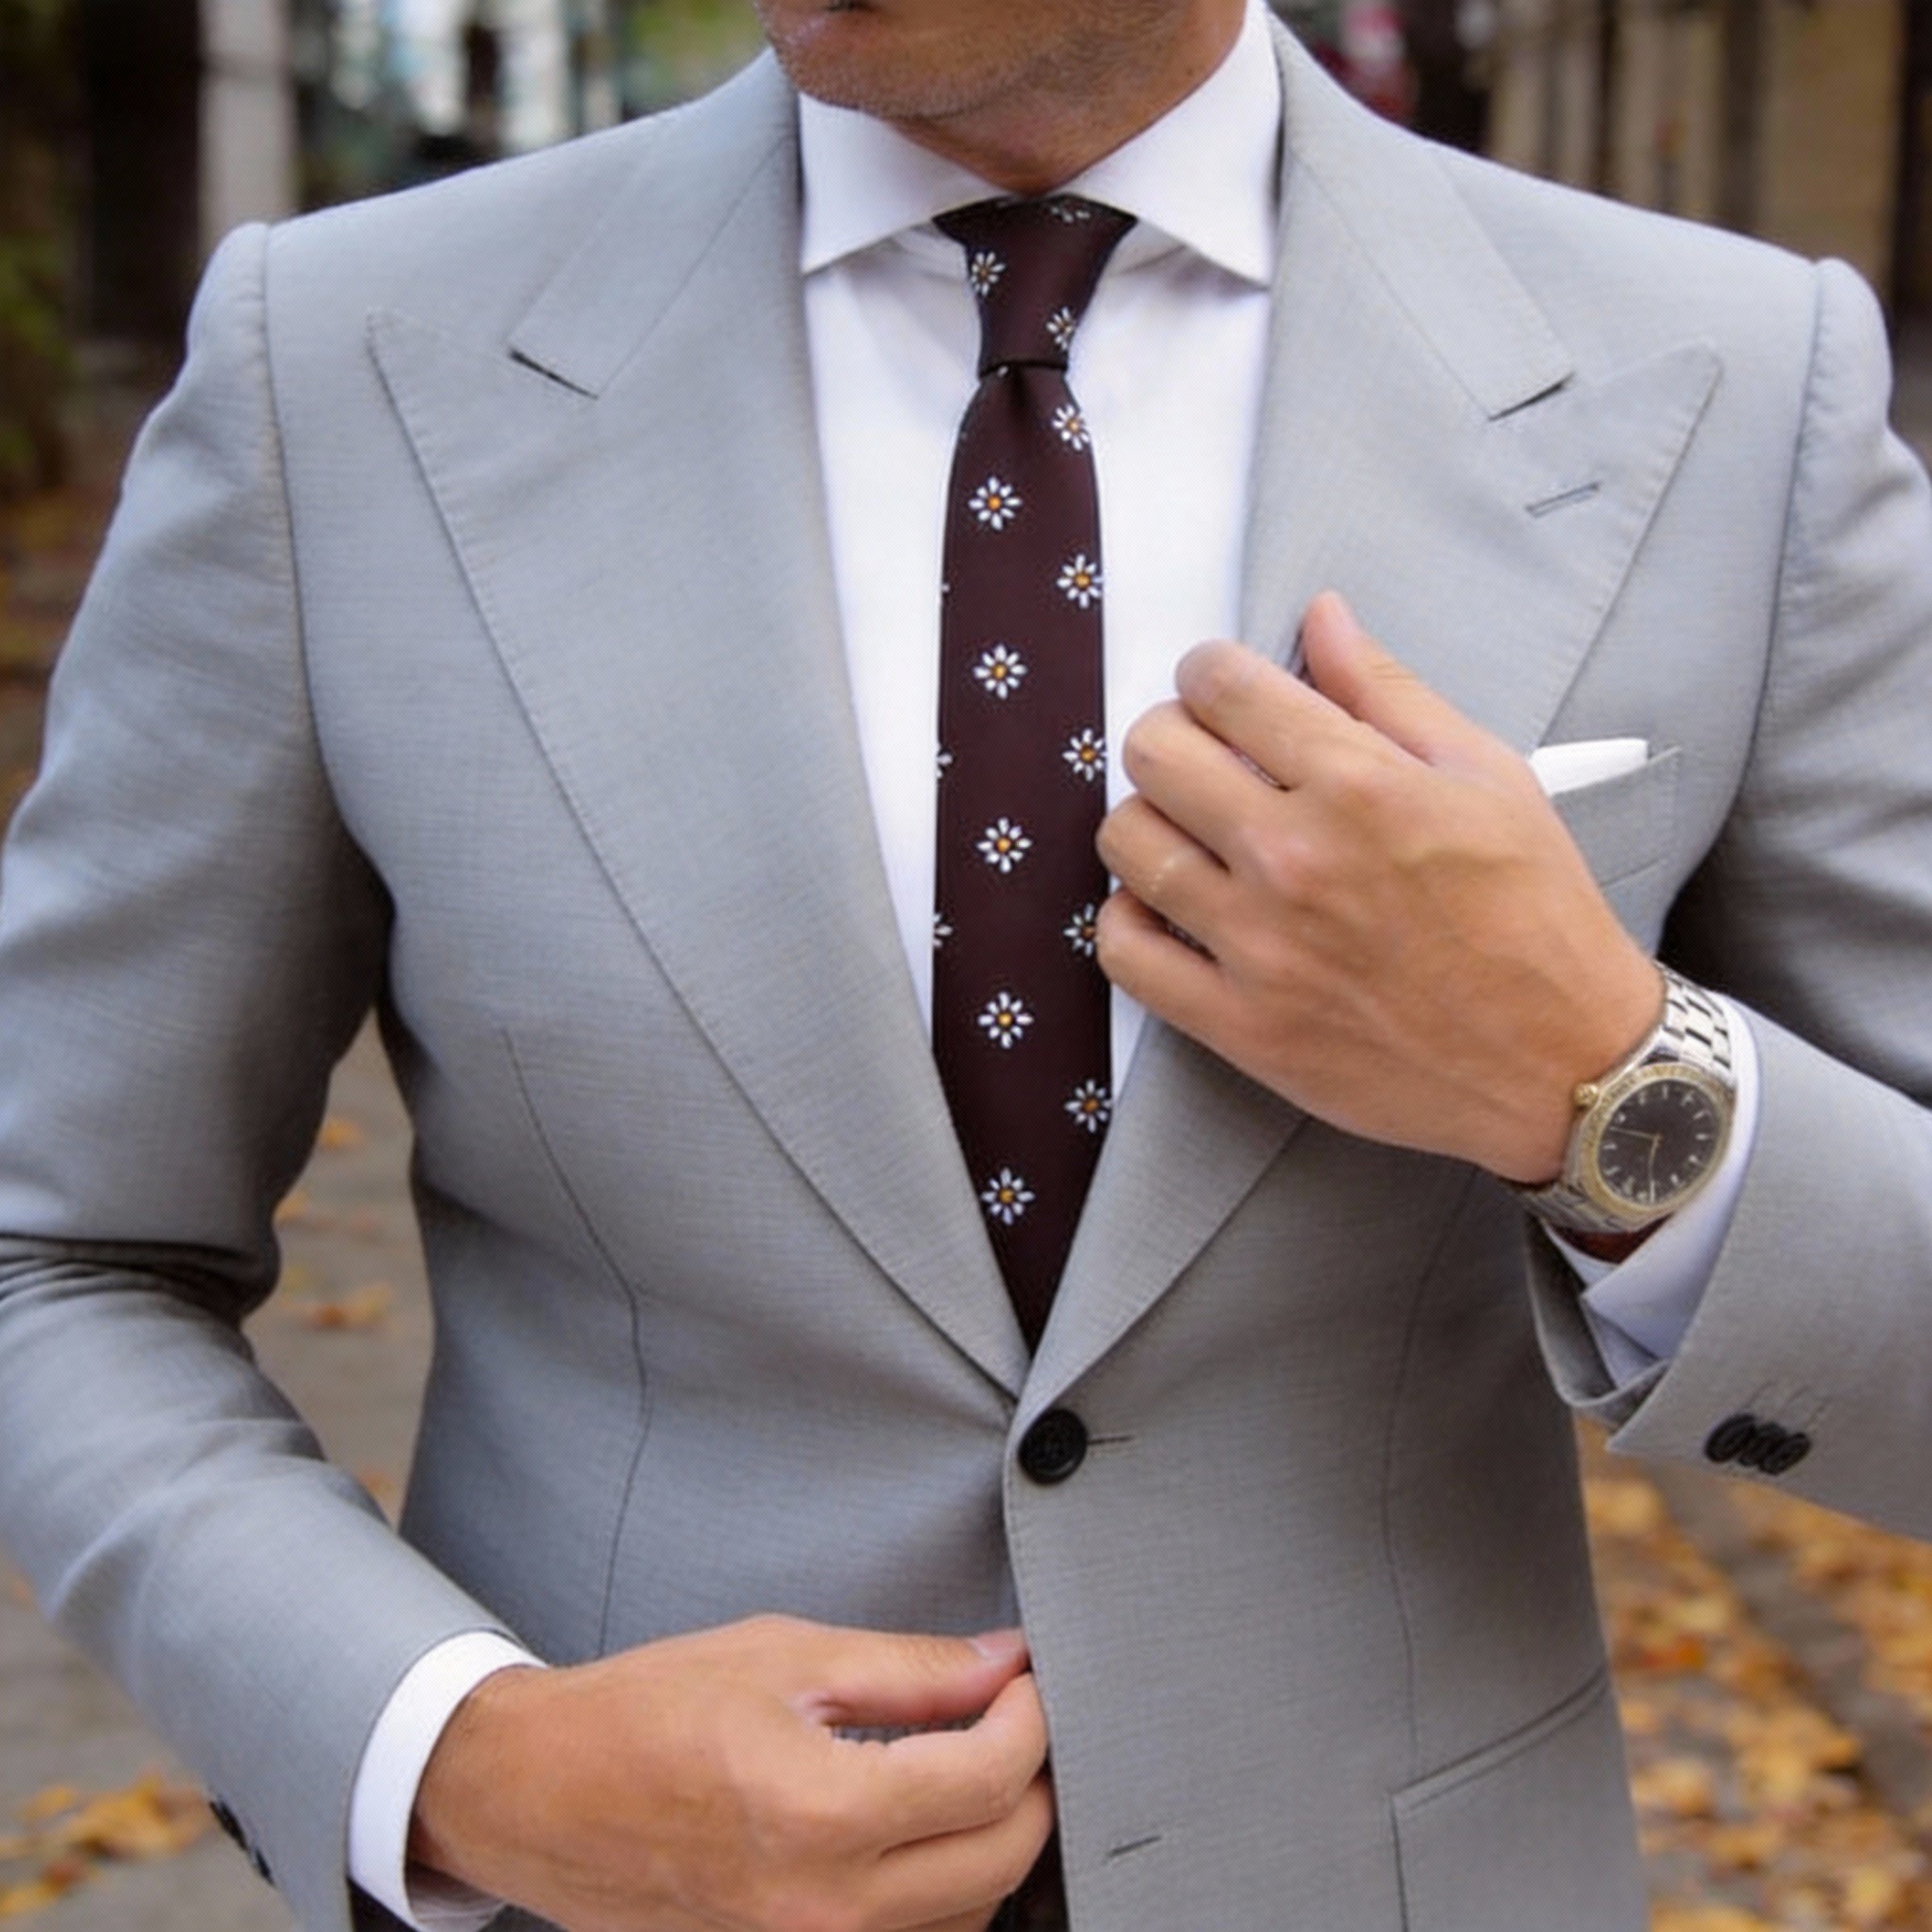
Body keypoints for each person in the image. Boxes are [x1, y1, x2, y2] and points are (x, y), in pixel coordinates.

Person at [1, 0, 1929, 1928]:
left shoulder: (1735, 391)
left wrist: (1602, 1082)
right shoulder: (332, 366)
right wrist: (457, 1755)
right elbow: (55, 1246)